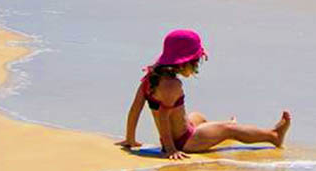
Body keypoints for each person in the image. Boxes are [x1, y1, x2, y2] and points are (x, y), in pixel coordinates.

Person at [116, 29, 291, 160]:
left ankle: (216, 131)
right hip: (185, 141)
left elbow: (135, 109)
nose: (195, 69)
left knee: (197, 116)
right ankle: (273, 136)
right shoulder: (172, 85)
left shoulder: (150, 78)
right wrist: (170, 149)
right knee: (230, 130)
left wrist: (130, 139)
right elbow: (163, 117)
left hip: (180, 132)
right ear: (183, 62)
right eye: (195, 64)